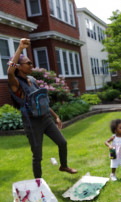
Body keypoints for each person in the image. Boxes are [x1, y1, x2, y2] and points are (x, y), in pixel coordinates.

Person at [7, 38, 77, 178]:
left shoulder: (32, 80)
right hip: (32, 123)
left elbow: (42, 101)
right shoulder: (15, 83)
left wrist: (56, 116)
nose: (31, 65)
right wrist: (20, 48)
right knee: (37, 155)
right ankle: (38, 184)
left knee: (62, 142)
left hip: (46, 118)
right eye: (28, 63)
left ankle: (63, 166)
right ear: (19, 66)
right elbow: (9, 71)